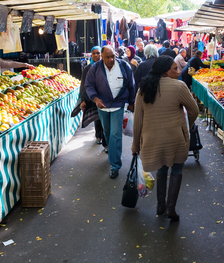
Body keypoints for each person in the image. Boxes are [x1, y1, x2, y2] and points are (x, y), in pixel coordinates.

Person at [132, 56, 199, 221]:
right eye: (174, 69)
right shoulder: (179, 87)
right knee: (176, 169)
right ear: (164, 71)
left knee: (161, 169)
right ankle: (170, 208)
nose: (178, 72)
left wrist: (135, 144)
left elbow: (137, 120)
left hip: (152, 140)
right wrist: (186, 128)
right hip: (175, 138)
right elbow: (194, 110)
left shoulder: (143, 89)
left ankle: (160, 206)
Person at [85, 46, 135, 179]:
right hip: (103, 106)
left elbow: (131, 84)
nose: (111, 59)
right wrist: (95, 99)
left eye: (113, 56)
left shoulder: (124, 66)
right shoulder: (95, 68)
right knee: (107, 132)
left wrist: (131, 102)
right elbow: (88, 86)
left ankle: (115, 165)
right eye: (107, 57)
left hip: (118, 105)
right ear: (101, 56)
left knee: (115, 134)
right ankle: (112, 151)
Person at [79, 46, 107, 151]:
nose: (96, 55)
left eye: (98, 53)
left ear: (101, 54)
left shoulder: (105, 66)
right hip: (92, 97)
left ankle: (105, 142)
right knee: (97, 118)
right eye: (94, 53)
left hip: (104, 97)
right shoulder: (87, 68)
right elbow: (83, 85)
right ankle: (98, 135)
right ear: (91, 55)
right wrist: (82, 100)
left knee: (105, 120)